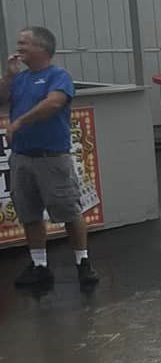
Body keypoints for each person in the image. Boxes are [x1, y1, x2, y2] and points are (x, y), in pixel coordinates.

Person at [3, 26, 98, 290]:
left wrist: (19, 123)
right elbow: (2, 97)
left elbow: (54, 103)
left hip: (52, 157)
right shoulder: (20, 79)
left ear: (41, 48)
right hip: (22, 157)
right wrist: (8, 77)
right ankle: (40, 265)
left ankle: (83, 262)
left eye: (24, 43)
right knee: (29, 212)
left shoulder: (58, 76)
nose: (19, 47)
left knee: (68, 209)